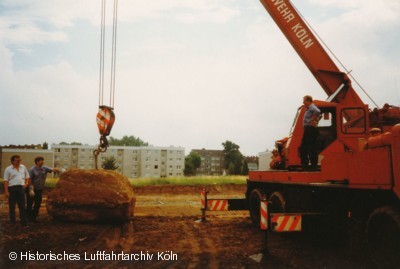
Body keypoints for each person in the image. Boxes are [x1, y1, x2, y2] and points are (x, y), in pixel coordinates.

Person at [26, 156, 59, 222]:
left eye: (43, 160)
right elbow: (29, 179)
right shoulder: (32, 169)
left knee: (38, 203)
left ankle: (33, 217)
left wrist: (59, 170)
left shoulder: (45, 168)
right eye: (41, 160)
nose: (43, 162)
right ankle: (27, 217)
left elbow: (52, 170)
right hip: (32, 188)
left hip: (39, 189)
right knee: (30, 203)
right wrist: (31, 189)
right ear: (37, 162)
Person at [3, 155, 30, 227]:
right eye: (17, 160)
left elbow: (27, 177)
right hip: (12, 188)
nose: (19, 162)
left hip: (21, 188)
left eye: (19, 160)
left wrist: (26, 184)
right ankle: (13, 222)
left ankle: (24, 223)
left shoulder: (23, 167)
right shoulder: (8, 169)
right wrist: (6, 191)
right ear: (13, 161)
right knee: (12, 206)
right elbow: (5, 181)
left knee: (22, 206)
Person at [299, 95, 321, 171]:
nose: (303, 102)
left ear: (308, 101)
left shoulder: (312, 106)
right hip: (309, 129)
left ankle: (307, 166)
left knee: (305, 148)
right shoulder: (309, 108)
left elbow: (318, 111)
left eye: (304, 100)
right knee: (309, 148)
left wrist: (313, 120)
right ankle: (310, 166)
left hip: (310, 129)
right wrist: (315, 120)